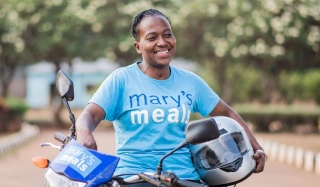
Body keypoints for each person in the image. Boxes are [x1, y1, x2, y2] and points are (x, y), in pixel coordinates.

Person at [76, 8, 266, 186]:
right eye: (152, 37)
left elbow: (226, 113)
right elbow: (90, 115)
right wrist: (84, 132)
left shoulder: (190, 82)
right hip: (134, 178)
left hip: (184, 178)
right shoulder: (121, 80)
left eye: (167, 34)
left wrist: (256, 148)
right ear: (138, 46)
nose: (162, 42)